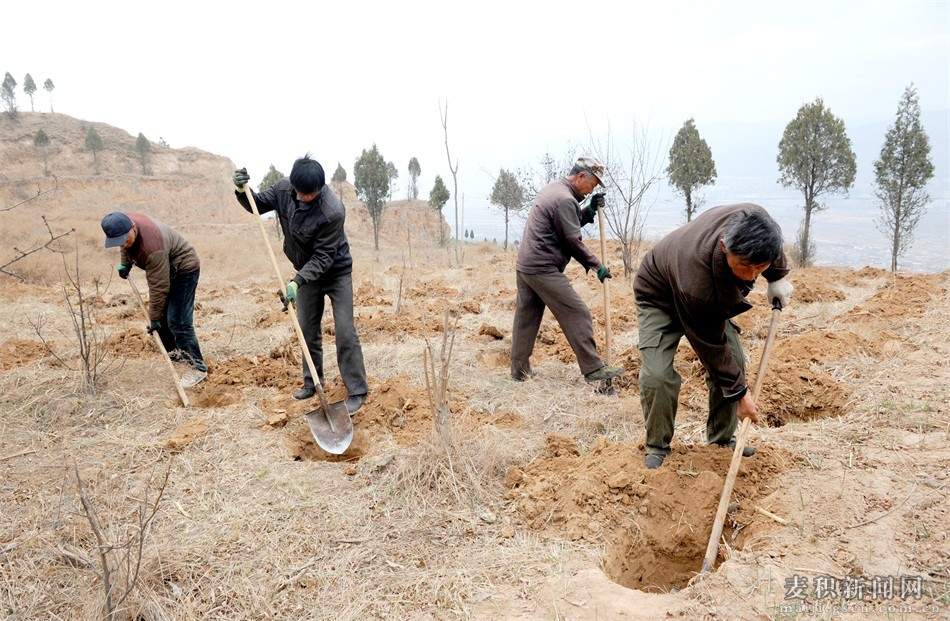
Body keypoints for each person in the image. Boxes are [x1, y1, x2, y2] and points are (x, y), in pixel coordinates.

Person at [633, 204, 794, 469]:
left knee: (736, 364)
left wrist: (775, 276)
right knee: (657, 376)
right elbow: (711, 347)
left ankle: (721, 441)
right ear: (724, 248)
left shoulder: (756, 221)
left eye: (759, 267)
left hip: (701, 295)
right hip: (659, 296)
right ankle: (657, 446)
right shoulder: (697, 284)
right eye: (744, 266)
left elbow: (771, 249)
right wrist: (741, 396)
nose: (752, 276)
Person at [232, 154, 368, 415]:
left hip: (336, 272)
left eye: (312, 193)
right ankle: (312, 383)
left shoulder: (332, 210)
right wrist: (242, 190)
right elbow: (257, 204)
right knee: (306, 328)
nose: (307, 197)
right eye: (302, 192)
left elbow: (324, 257)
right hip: (304, 273)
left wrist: (296, 282)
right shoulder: (283, 189)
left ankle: (357, 391)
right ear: (294, 186)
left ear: (321, 188)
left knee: (345, 330)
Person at [511, 154, 623, 386]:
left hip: (526, 266)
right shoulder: (565, 199)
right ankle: (593, 368)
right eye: (591, 185)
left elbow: (566, 223)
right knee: (578, 311)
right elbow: (572, 240)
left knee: (527, 318)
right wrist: (597, 266)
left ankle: (519, 371)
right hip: (542, 268)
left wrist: (590, 210)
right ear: (581, 176)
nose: (591, 191)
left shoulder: (556, 190)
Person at [101, 211, 208, 389]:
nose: (123, 243)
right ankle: (175, 354)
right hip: (166, 268)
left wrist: (154, 318)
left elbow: (159, 287)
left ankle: (197, 368)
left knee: (178, 320)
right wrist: (126, 263)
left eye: (125, 238)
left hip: (184, 268)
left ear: (133, 227)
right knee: (163, 320)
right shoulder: (121, 222)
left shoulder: (153, 248)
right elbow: (124, 245)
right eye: (118, 241)